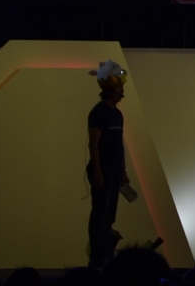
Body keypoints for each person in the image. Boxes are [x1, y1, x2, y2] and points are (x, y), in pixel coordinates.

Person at [87, 60, 130, 268]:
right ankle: (98, 254)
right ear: (110, 90)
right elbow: (93, 144)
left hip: (113, 171)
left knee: (110, 212)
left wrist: (123, 171)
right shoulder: (98, 113)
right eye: (119, 89)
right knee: (100, 212)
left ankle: (105, 251)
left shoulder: (117, 114)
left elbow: (119, 145)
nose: (122, 93)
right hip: (102, 171)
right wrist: (98, 173)